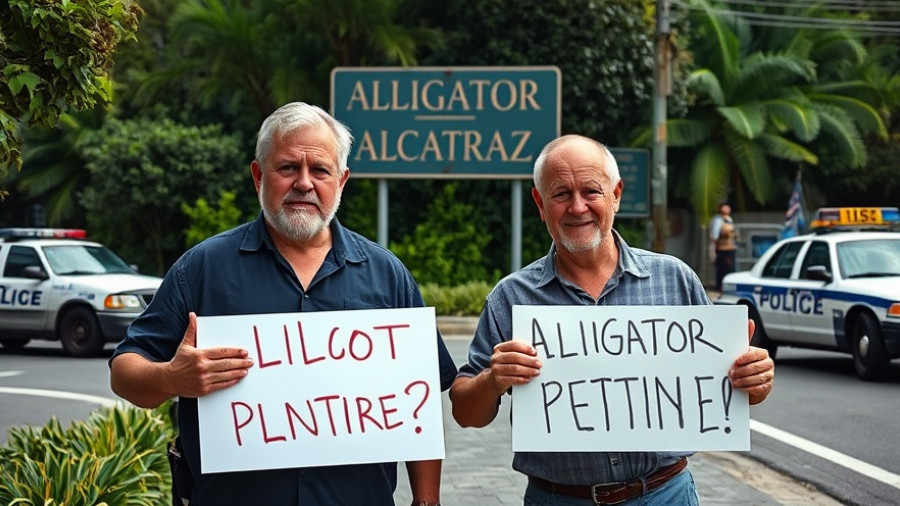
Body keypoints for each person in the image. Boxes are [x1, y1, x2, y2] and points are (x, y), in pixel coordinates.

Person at [109, 102, 456, 506]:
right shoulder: (202, 268)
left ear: (341, 181)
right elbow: (124, 371)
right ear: (259, 175)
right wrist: (172, 378)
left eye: (320, 171)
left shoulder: (386, 274)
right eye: (288, 168)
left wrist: (427, 500)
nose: (304, 183)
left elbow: (422, 403)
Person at [448, 135, 774, 506]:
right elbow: (464, 413)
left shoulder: (675, 279)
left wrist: (755, 380)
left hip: (666, 495)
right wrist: (493, 379)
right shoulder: (511, 297)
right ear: (540, 203)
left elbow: (731, 392)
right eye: (560, 195)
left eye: (591, 191)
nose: (577, 207)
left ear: (616, 194)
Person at [709, 202, 738, 291]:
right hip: (722, 249)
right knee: (723, 269)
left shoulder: (729, 219)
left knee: (731, 269)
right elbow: (714, 236)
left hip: (730, 247)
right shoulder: (718, 220)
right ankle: (720, 287)